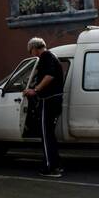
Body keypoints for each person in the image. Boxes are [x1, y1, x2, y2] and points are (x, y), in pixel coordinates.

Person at [23, 37, 64, 177]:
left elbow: (49, 76)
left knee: (46, 135)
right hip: (55, 100)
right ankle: (56, 164)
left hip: (48, 100)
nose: (31, 54)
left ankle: (50, 168)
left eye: (30, 51)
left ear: (34, 48)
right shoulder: (52, 57)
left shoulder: (46, 56)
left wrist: (35, 90)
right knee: (50, 135)